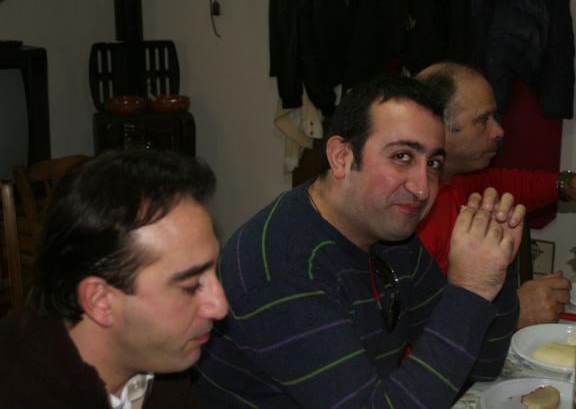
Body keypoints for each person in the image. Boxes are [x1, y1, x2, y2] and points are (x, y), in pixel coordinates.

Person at [196, 74, 525, 408]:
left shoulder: (390, 233)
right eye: (402, 156)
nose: (423, 188)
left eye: (433, 163)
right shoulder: (285, 270)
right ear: (341, 157)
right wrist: (469, 292)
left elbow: (481, 365)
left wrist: (496, 264)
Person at [0, 150, 229, 409]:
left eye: (214, 273)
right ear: (100, 301)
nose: (220, 307)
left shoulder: (161, 363)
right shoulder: (20, 392)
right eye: (190, 286)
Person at [414, 62, 576, 329]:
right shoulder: (412, 211)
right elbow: (418, 327)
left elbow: (508, 184)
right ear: (438, 127)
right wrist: (512, 312)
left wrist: (567, 184)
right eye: (483, 120)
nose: (498, 131)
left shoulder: (459, 176)